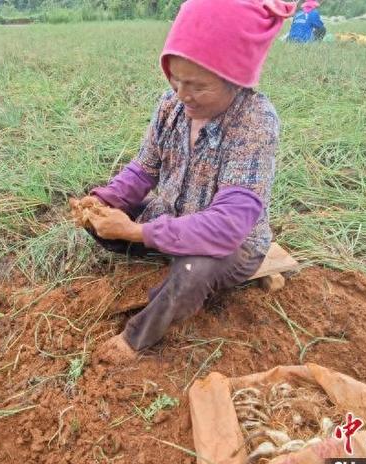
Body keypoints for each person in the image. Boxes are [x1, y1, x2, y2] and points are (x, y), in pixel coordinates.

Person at [70, 0, 295, 364]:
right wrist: (103, 201)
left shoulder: (255, 122)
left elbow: (227, 227)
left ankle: (136, 338)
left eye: (197, 86)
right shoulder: (171, 105)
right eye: (175, 79)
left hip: (230, 245)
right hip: (172, 214)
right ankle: (164, 254)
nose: (182, 94)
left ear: (235, 80)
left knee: (194, 269)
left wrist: (136, 233)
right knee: (99, 222)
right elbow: (144, 168)